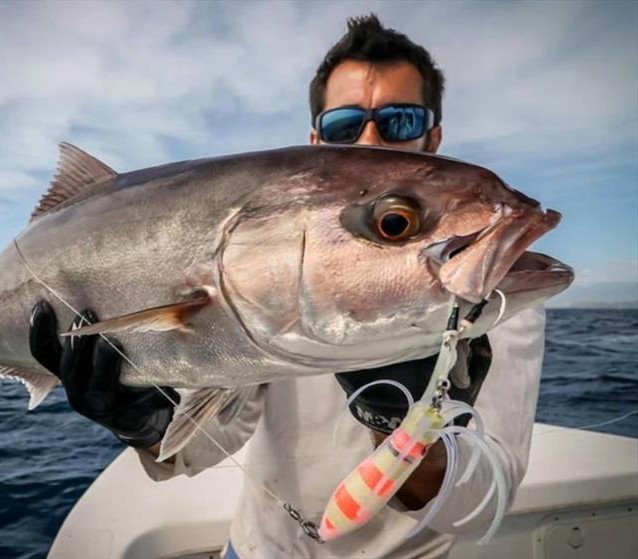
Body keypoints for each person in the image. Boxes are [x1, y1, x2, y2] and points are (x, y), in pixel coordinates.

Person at [29, 14, 545, 559]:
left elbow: (482, 507)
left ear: (433, 137)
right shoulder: (266, 273)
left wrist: (403, 428)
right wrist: (144, 423)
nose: (370, 140)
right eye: (346, 124)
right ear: (316, 140)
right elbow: (210, 443)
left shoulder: (498, 297)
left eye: (399, 120)